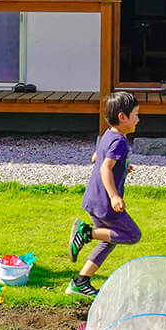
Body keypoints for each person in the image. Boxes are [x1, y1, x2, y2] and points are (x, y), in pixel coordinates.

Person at [66, 90, 143, 298]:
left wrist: (122, 166)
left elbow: (96, 158)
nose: (138, 118)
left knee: (109, 240)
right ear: (122, 117)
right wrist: (115, 196)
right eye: (135, 114)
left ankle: (80, 282)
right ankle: (86, 233)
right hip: (105, 203)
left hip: (93, 199)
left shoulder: (108, 134)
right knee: (132, 235)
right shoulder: (119, 141)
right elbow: (104, 168)